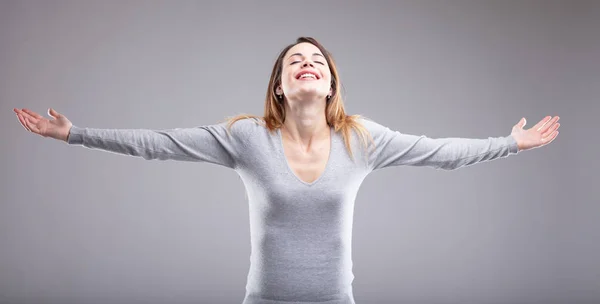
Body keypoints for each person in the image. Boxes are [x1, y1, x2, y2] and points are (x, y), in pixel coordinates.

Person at [13, 37, 559, 304]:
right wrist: (74, 132)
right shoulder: (247, 137)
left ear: (330, 85)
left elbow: (441, 152)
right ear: (279, 84)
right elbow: (160, 144)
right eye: (295, 59)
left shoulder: (361, 138)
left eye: (318, 61)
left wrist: (509, 143)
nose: (307, 63)